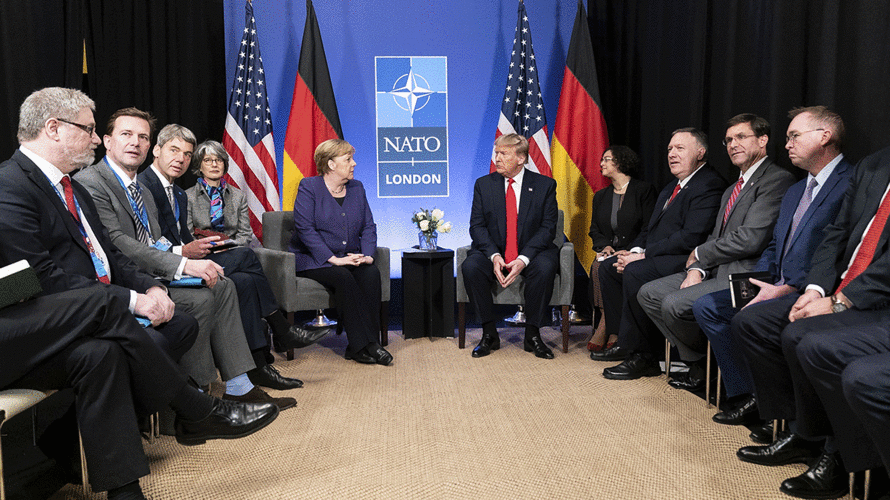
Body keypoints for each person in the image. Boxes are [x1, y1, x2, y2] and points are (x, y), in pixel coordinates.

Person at [0, 87, 279, 500]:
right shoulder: (10, 184)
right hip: (18, 324)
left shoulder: (68, 188)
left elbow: (110, 253)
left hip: (61, 319)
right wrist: (132, 300)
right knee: (104, 300)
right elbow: (30, 280)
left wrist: (148, 286)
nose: (97, 139)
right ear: (53, 128)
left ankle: (118, 487)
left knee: (103, 354)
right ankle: (194, 408)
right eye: (90, 130)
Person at [75, 109, 296, 409]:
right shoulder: (91, 181)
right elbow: (118, 243)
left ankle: (239, 386)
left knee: (224, 284)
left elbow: (156, 241)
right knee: (206, 296)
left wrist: (186, 261)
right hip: (125, 279)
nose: (135, 143)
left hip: (152, 271)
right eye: (126, 135)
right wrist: (183, 264)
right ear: (107, 141)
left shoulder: (140, 188)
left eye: (142, 136)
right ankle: (198, 396)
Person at [731, 144, 890, 499]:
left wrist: (840, 300)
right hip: (838, 284)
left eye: (794, 135)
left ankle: (838, 454)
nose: (787, 144)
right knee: (754, 322)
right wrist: (816, 289)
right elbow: (835, 232)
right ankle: (801, 432)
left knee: (809, 339)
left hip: (876, 298)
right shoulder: (874, 163)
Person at [692, 107, 851, 428]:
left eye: (794, 136)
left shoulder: (851, 182)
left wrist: (791, 286)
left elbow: (837, 251)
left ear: (824, 136)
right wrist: (758, 281)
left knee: (748, 318)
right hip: (772, 281)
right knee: (708, 305)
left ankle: (774, 411)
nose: (787, 143)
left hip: (809, 289)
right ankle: (749, 394)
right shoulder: (796, 190)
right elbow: (776, 245)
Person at [616, 114, 795, 384]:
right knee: (650, 294)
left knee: (673, 302)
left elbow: (751, 238)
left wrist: (699, 255)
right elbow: (713, 236)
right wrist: (697, 269)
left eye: (741, 137)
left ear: (763, 140)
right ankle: (701, 361)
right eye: (729, 140)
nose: (733, 144)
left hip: (744, 274)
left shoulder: (777, 180)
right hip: (712, 270)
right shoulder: (732, 188)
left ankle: (721, 374)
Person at [138, 126, 317, 378]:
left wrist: (209, 244)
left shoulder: (178, 193)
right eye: (174, 150)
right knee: (247, 257)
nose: (181, 158)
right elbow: (153, 243)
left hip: (212, 254)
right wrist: (193, 248)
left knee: (244, 280)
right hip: (173, 266)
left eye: (186, 153)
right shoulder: (156, 189)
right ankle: (280, 328)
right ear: (156, 151)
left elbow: (236, 235)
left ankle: (258, 366)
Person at [591, 128, 725, 370]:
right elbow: (650, 230)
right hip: (660, 254)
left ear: (701, 152)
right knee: (609, 268)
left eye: (680, 149)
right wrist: (633, 251)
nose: (672, 154)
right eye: (669, 149)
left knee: (635, 270)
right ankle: (623, 338)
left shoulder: (709, 184)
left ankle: (643, 355)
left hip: (687, 259)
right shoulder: (671, 186)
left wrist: (642, 256)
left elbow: (690, 237)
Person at [289, 139, 391, 365]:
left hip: (350, 256)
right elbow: (304, 229)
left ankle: (359, 347)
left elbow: (368, 226)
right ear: (331, 164)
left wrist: (367, 255)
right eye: (348, 159)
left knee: (370, 273)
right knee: (343, 277)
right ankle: (368, 345)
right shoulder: (309, 187)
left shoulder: (357, 188)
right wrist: (333, 259)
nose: (354, 163)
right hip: (314, 260)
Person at [462, 133, 559, 359]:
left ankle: (533, 334)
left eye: (503, 154)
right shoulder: (483, 185)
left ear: (521, 158)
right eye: (496, 153)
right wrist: (494, 256)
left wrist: (523, 259)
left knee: (545, 267)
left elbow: (547, 229)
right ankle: (488, 333)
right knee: (471, 267)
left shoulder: (545, 185)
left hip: (532, 252)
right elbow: (476, 226)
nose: (497, 158)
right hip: (493, 250)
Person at [587, 146, 657, 351]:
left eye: (607, 159)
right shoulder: (600, 196)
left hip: (635, 252)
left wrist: (633, 249)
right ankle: (609, 322)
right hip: (607, 251)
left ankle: (606, 324)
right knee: (599, 266)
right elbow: (594, 229)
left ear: (621, 163)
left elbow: (649, 227)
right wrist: (604, 246)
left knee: (606, 268)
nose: (602, 164)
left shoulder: (643, 190)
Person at [185, 140, 252, 246]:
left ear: (224, 165)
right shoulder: (187, 196)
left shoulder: (239, 196)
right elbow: (188, 235)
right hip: (202, 252)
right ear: (200, 166)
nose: (214, 164)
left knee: (249, 256)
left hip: (232, 250)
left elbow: (245, 234)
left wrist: (228, 246)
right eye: (207, 160)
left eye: (219, 160)